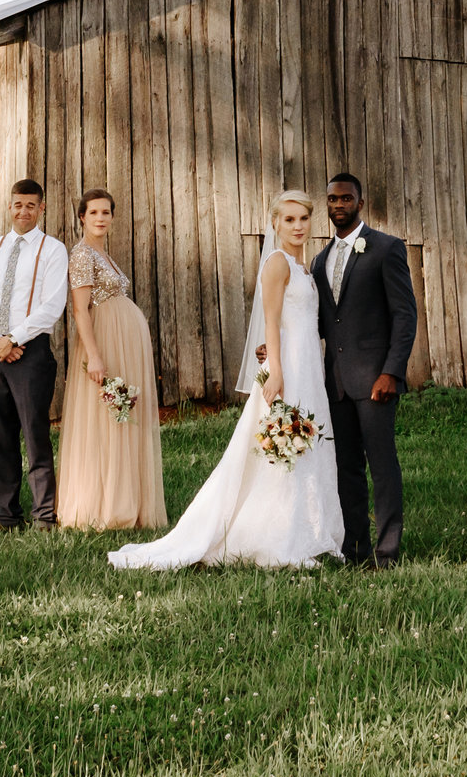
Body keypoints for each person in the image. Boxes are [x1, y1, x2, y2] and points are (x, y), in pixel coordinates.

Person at [110, 191, 342, 570]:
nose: (297, 227)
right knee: (276, 452)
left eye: (303, 219)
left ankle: (306, 530)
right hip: (288, 369)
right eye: (289, 220)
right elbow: (271, 321)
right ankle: (271, 536)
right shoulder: (278, 264)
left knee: (303, 448)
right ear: (275, 224)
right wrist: (277, 370)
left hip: (309, 367)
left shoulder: (304, 269)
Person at [312, 172, 417, 568]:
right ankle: (354, 549)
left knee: (383, 464)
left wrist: (392, 370)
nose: (338, 205)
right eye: (332, 200)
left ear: (360, 201)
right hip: (336, 382)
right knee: (346, 468)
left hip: (376, 378)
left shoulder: (386, 248)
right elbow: (322, 323)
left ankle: (387, 550)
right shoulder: (319, 261)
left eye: (345, 198)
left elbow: (405, 315)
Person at [56, 190, 168, 531]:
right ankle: (100, 504)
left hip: (124, 342)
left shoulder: (104, 254)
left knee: (124, 418)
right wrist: (94, 356)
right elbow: (79, 309)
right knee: (105, 420)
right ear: (82, 217)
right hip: (104, 341)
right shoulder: (81, 254)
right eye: (94, 213)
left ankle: (127, 497)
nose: (101, 218)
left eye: (106, 212)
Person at [0, 178, 67, 530]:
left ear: (41, 208)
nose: (23, 211)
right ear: (9, 207)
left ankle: (43, 514)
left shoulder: (53, 250)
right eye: (17, 204)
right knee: (0, 433)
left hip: (32, 350)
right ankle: (7, 514)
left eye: (30, 205)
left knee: (34, 431)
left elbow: (52, 305)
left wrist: (15, 337)